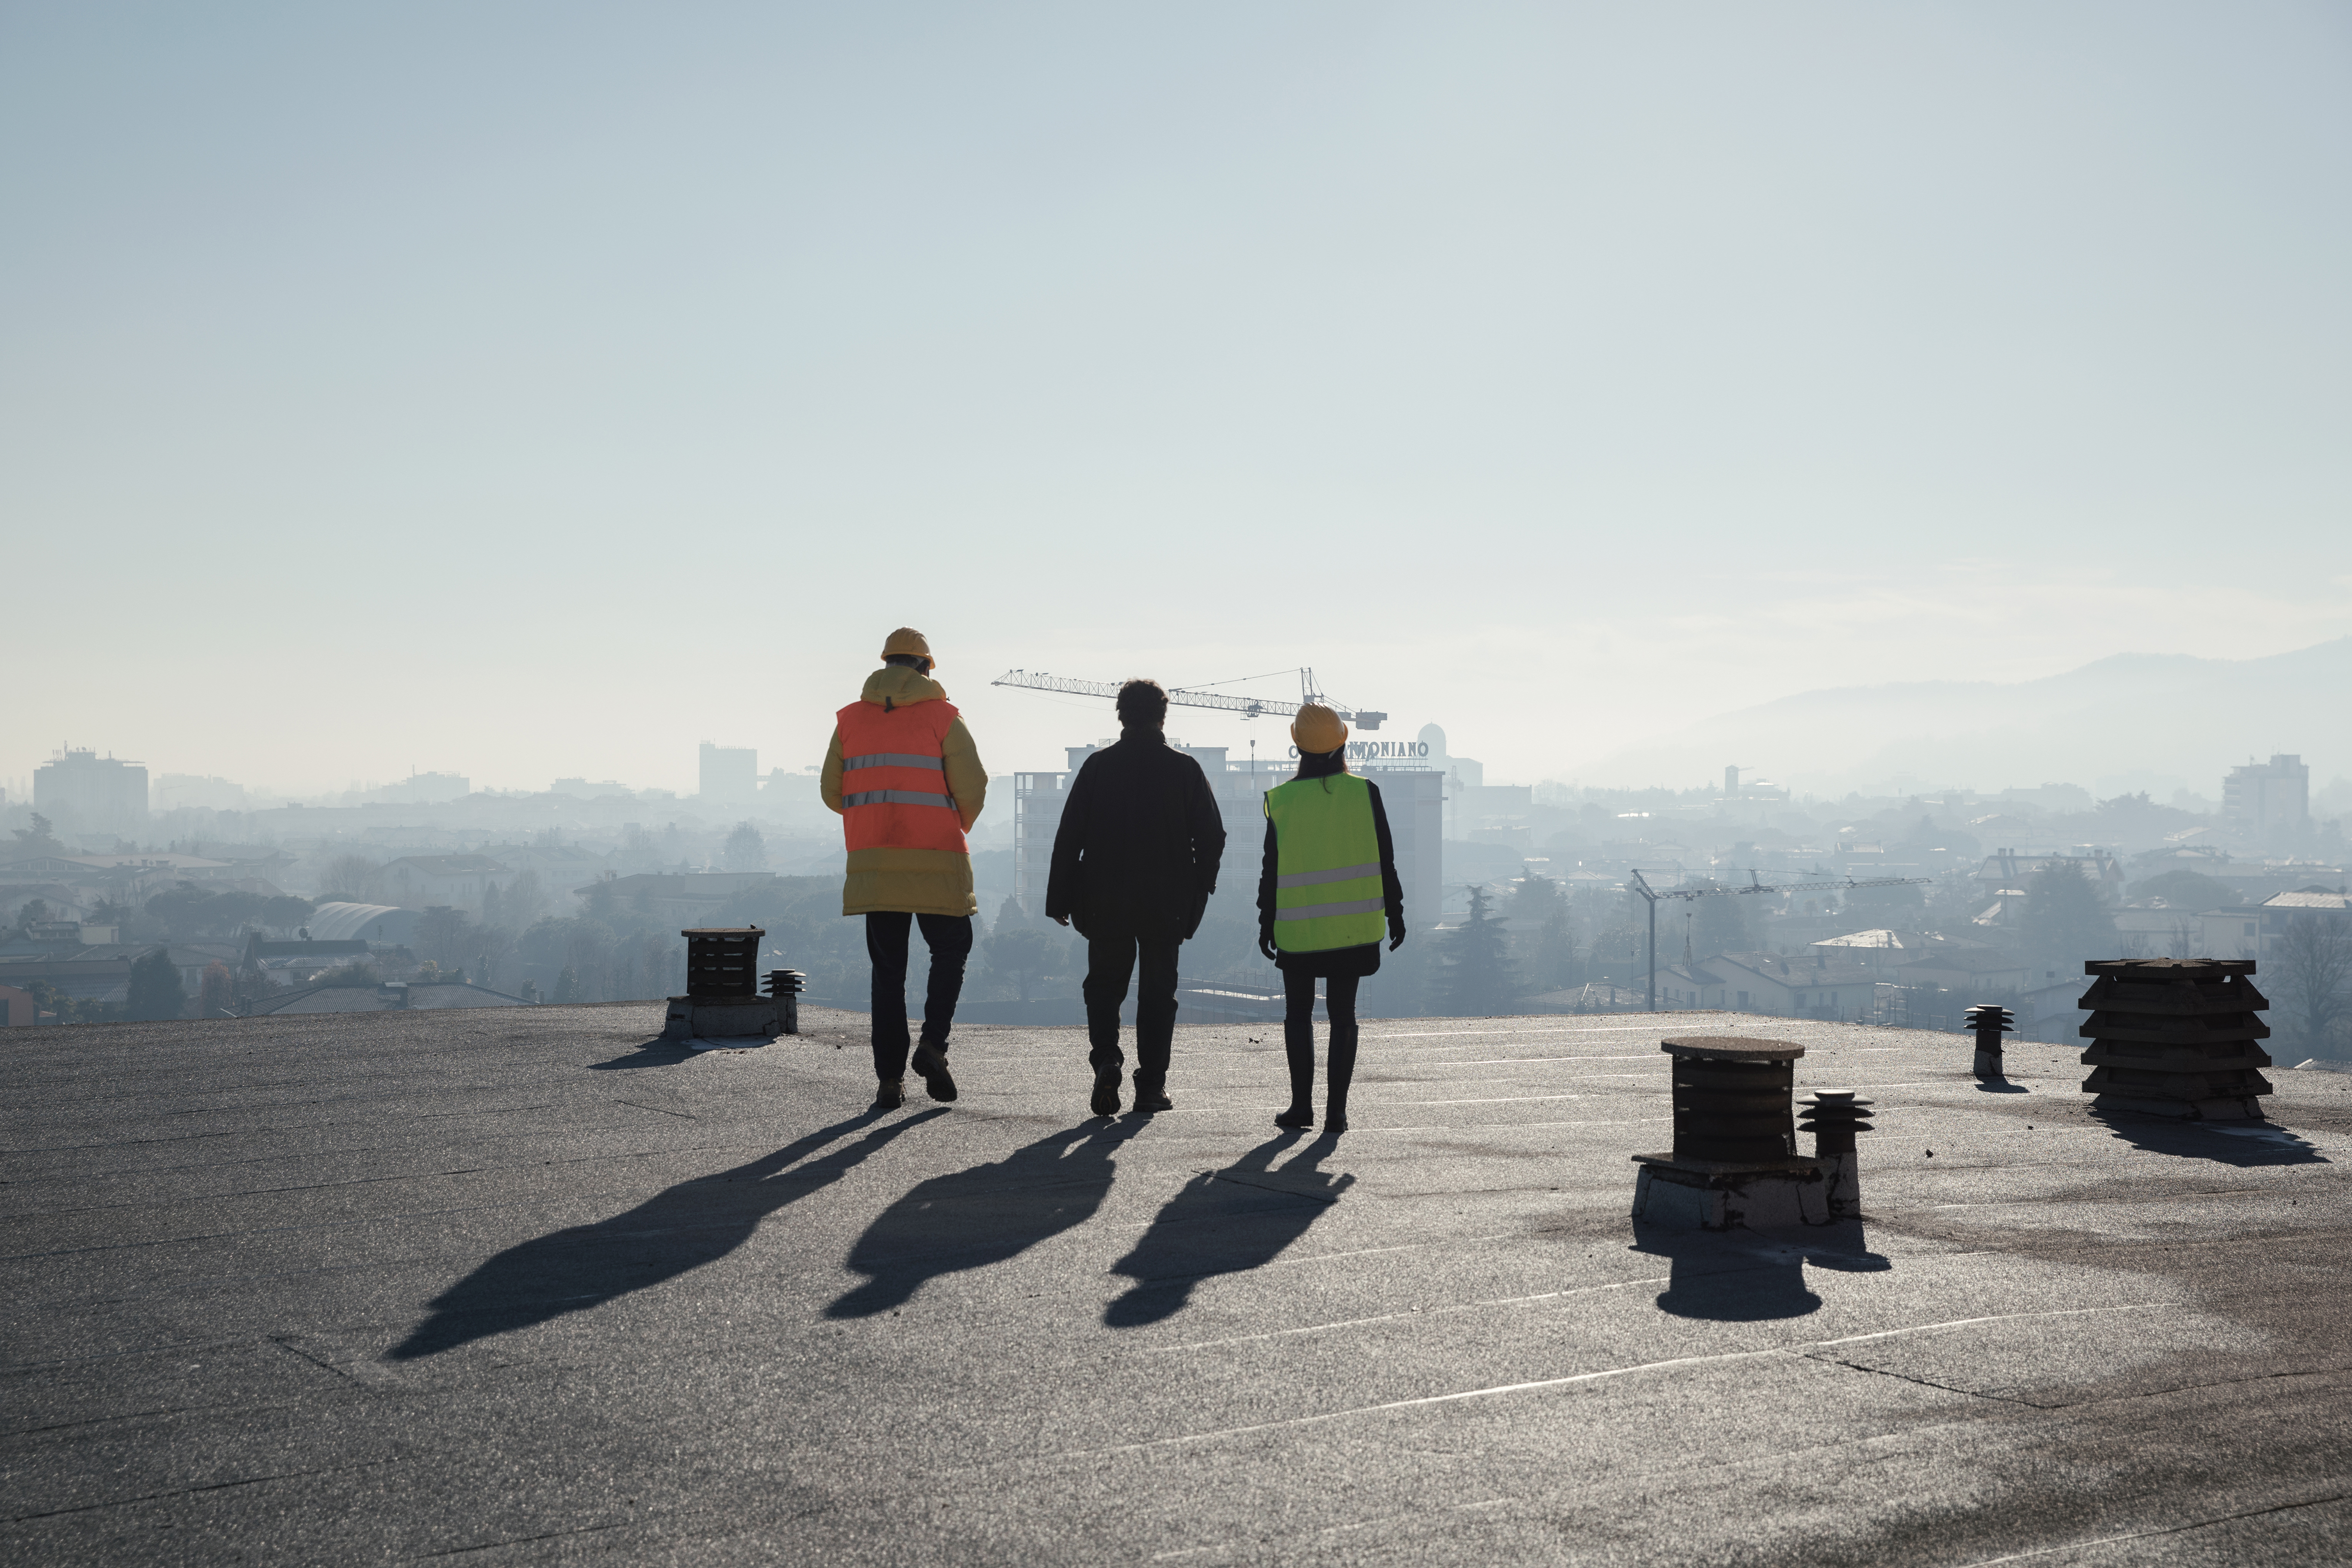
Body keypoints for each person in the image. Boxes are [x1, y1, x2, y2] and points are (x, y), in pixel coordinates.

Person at [820, 627, 989, 1110]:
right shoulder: (943, 718)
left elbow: (833, 792)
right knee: (953, 948)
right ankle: (933, 1044)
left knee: (888, 972)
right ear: (926, 668)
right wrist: (954, 821)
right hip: (937, 855)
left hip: (875, 863)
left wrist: (872, 818)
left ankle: (889, 1081)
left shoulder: (850, 720)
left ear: (885, 664)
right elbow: (973, 786)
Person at [1045, 679, 1226, 1117]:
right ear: (1162, 717)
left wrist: (1060, 897)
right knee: (1159, 992)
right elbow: (1212, 836)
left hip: (1104, 899)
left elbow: (1070, 836)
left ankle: (1107, 1058)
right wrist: (1199, 890)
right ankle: (1151, 1087)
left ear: (1121, 715)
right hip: (1166, 900)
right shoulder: (1184, 770)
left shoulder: (1097, 768)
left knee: (1105, 986)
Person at [1257, 704, 1406, 1134]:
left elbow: (1272, 869)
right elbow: (1386, 859)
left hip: (1299, 931)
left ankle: (1300, 1108)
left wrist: (1266, 921)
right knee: (1343, 1016)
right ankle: (1336, 1114)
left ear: (1297, 746)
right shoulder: (1366, 792)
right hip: (1353, 930)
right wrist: (1395, 913)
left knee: (1298, 1014)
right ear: (1343, 741)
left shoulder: (1282, 801)